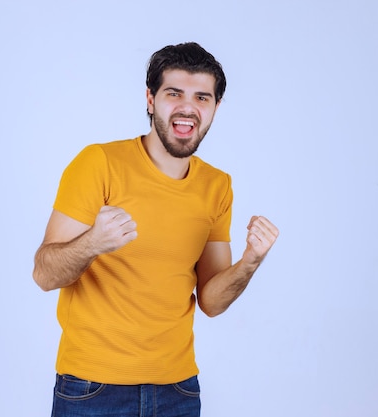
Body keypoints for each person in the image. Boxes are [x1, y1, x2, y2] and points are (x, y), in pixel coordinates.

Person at [33, 42, 279, 417]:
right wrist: (93, 243)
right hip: (92, 388)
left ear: (215, 108)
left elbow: (211, 302)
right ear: (150, 99)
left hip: (178, 391)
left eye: (202, 97)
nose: (188, 107)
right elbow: (45, 274)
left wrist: (251, 262)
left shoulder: (217, 186)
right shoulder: (98, 163)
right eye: (173, 93)